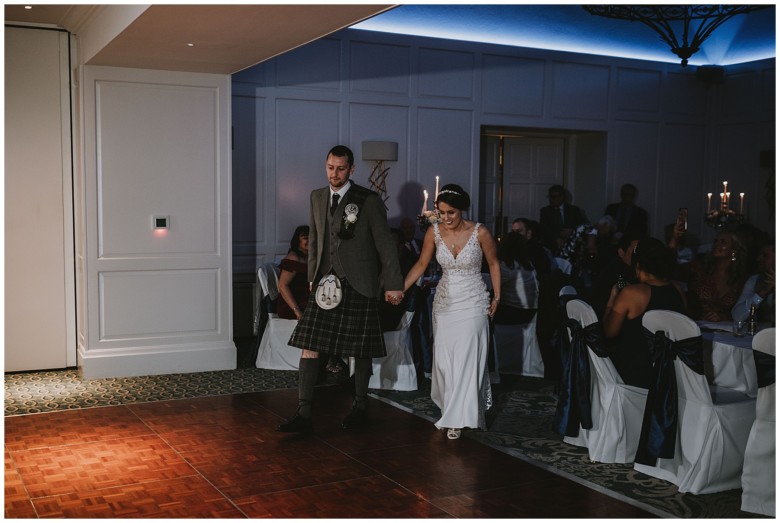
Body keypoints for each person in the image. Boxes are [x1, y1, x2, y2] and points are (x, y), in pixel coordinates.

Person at [276, 145, 404, 433]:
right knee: (310, 345)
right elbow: (317, 240)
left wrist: (394, 284)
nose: (335, 173)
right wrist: (312, 277)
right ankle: (304, 413)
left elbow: (386, 245)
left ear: (352, 169)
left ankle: (359, 407)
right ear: (326, 166)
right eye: (331, 167)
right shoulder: (316, 197)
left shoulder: (368, 200)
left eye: (341, 168)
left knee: (359, 350)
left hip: (359, 283)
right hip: (324, 286)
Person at [402, 183, 501, 440]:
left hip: (474, 301)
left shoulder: (480, 232)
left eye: (451, 213)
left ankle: (458, 417)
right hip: (445, 304)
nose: (445, 218)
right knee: (446, 361)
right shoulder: (433, 233)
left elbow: (493, 263)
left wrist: (498, 295)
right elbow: (422, 264)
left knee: (468, 359)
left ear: (462, 210)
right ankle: (450, 408)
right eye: (441, 212)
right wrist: (400, 288)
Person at [602, 237, 686, 389]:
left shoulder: (632, 293)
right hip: (672, 372)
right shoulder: (677, 288)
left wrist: (612, 299)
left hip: (637, 374)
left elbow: (609, 332)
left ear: (637, 264)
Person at [684, 230, 750, 322]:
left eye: (723, 242)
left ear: (734, 250)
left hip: (726, 329)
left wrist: (723, 318)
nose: (716, 245)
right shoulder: (699, 269)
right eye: (715, 241)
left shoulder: (740, 279)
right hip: (695, 325)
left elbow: (745, 310)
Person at [493, 232, 538, 325]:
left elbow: (493, 285)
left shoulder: (508, 267)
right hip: (531, 311)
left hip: (515, 312)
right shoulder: (528, 265)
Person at [732, 241, 775, 324]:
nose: (758, 259)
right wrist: (761, 293)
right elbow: (737, 316)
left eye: (765, 255)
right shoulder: (755, 280)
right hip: (762, 335)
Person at [275, 225, 310, 320]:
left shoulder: (308, 257)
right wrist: (297, 310)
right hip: (291, 305)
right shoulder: (294, 258)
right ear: (297, 241)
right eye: (305, 238)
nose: (310, 241)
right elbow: (282, 285)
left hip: (304, 300)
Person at [539, 184, 587, 251]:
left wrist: (572, 231)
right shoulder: (545, 211)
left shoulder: (574, 210)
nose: (551, 200)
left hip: (571, 245)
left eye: (553, 197)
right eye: (550, 197)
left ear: (562, 197)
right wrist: (556, 239)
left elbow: (584, 226)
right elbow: (544, 228)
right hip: (552, 246)